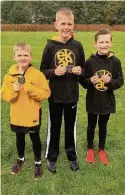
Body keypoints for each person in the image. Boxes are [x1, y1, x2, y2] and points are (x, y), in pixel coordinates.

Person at [40, 7, 85, 173]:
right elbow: (43, 70)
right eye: (63, 23)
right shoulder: (50, 46)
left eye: (69, 24)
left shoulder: (77, 46)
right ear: (56, 25)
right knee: (55, 127)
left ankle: (72, 156)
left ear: (73, 25)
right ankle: (52, 157)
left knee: (70, 127)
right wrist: (53, 72)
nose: (66, 27)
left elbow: (83, 69)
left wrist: (81, 71)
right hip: (55, 96)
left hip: (72, 96)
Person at [1, 42, 50, 179]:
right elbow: (5, 95)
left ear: (30, 56)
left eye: (26, 55)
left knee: (35, 138)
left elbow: (46, 94)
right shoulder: (9, 76)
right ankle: (20, 159)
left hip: (32, 113)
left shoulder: (37, 75)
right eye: (20, 55)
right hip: (17, 113)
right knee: (19, 137)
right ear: (14, 57)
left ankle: (38, 162)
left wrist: (29, 88)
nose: (23, 58)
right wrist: (14, 91)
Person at [79, 29, 124, 165]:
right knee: (91, 125)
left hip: (107, 101)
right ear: (95, 44)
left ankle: (101, 150)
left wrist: (109, 81)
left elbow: (120, 81)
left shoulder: (115, 62)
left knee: (103, 126)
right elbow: (83, 81)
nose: (104, 45)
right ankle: (90, 149)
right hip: (93, 100)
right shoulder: (89, 62)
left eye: (107, 42)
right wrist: (90, 81)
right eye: (101, 42)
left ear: (111, 43)